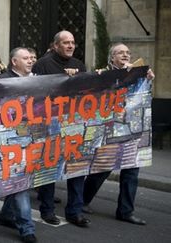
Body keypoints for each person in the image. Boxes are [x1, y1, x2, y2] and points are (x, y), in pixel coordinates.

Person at [82, 43, 154, 226]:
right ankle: (82, 201)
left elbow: (145, 98)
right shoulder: (103, 74)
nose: (125, 55)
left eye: (128, 53)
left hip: (134, 129)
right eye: (121, 52)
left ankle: (126, 211)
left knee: (131, 171)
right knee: (102, 169)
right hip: (110, 129)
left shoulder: (138, 73)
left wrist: (147, 80)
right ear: (112, 57)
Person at [31, 30, 90, 227]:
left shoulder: (79, 65)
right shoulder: (43, 64)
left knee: (76, 169)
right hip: (50, 125)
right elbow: (36, 93)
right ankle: (47, 210)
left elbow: (85, 93)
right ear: (55, 46)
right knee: (49, 167)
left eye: (73, 42)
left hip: (73, 124)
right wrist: (61, 79)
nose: (70, 46)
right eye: (66, 43)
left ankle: (75, 211)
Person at [0, 47, 37, 243]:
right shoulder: (2, 82)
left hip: (28, 137)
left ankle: (6, 215)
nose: (30, 61)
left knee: (20, 179)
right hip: (8, 139)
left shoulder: (37, 80)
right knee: (21, 182)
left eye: (31, 58)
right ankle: (27, 228)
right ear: (14, 62)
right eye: (25, 58)